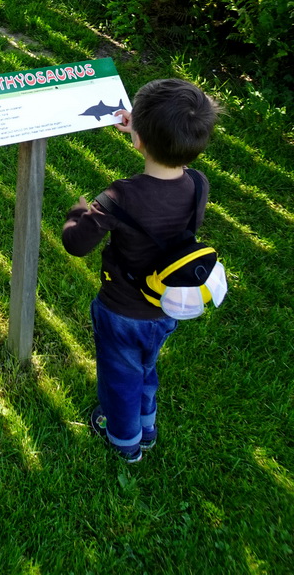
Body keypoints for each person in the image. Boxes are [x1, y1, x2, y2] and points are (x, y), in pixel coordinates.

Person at [62, 77, 221, 462]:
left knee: (121, 376)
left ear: (139, 142)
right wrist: (144, 130)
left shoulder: (120, 196)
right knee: (147, 365)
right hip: (166, 305)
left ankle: (124, 441)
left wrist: (77, 212)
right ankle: (146, 425)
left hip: (122, 310)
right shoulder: (199, 185)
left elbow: (76, 244)